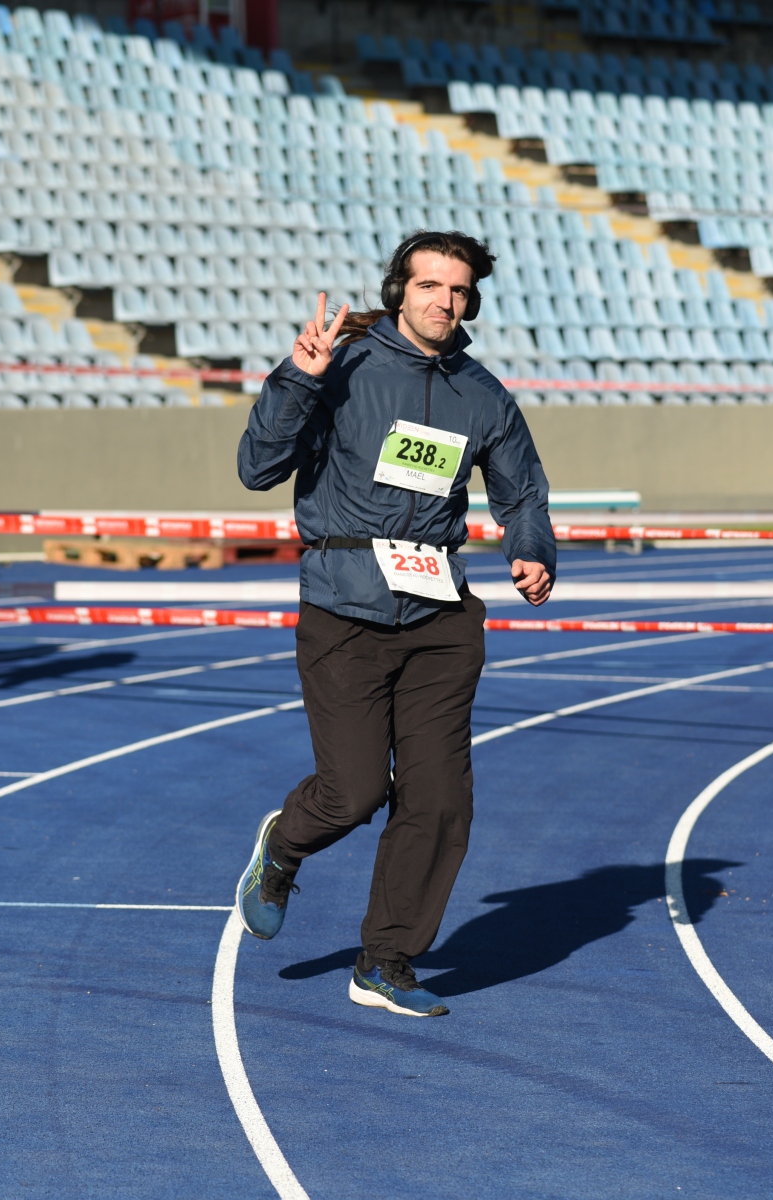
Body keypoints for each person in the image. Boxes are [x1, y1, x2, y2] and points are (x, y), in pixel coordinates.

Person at [233, 231, 556, 1018]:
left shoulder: (482, 393)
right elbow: (257, 468)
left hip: (441, 615)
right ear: (398, 292)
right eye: (430, 286)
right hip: (345, 605)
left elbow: (521, 489)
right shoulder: (341, 368)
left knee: (440, 799)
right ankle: (284, 845)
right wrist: (297, 380)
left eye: (459, 290)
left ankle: (386, 960)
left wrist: (531, 549)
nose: (446, 301)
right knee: (352, 792)